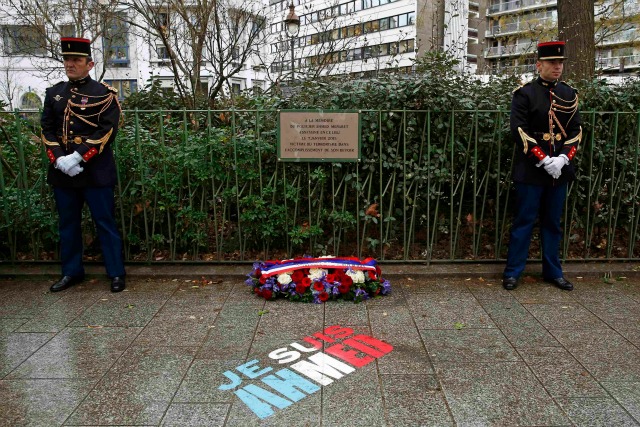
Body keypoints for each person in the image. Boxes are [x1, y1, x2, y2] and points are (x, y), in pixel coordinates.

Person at [41, 37, 126, 293]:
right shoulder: (55, 93)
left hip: (95, 171)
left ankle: (116, 273)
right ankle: (71, 272)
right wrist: (60, 160)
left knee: (104, 222)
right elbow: (47, 129)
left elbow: (106, 130)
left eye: (76, 60)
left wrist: (77, 156)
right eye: (67, 60)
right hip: (63, 173)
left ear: (89, 64)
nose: (70, 64)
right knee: (68, 224)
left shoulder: (103, 94)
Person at [502, 41, 581, 291]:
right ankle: (513, 272)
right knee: (524, 222)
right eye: (552, 63)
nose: (557, 67)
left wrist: (563, 158)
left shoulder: (569, 94)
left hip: (559, 171)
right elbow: (519, 130)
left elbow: (576, 130)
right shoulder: (524, 94)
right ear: (539, 65)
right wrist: (543, 159)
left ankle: (553, 272)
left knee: (553, 223)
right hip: (531, 170)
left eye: (560, 63)